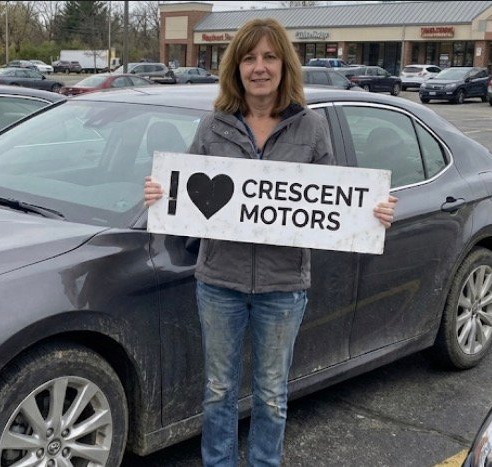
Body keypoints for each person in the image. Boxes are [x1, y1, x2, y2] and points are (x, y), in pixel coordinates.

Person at [142, 18, 397, 467]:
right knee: (218, 390)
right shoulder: (212, 127)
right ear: (236, 68)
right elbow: (187, 200)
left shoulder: (311, 129)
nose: (259, 67)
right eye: (249, 58)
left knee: (272, 395)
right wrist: (162, 194)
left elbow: (332, 204)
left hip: (283, 287)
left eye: (269, 57)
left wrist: (372, 213)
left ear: (284, 65)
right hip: (219, 282)